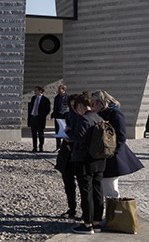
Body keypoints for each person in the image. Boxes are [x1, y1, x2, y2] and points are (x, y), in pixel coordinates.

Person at [89, 89, 143, 198]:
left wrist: (113, 152)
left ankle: (113, 212)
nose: (92, 106)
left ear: (101, 102)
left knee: (110, 187)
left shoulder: (115, 114)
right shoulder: (100, 114)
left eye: (93, 103)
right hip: (103, 154)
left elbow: (121, 136)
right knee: (103, 186)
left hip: (111, 154)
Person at [65, 94, 106, 234]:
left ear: (81, 106)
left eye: (76, 108)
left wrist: (69, 133)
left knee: (86, 191)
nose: (77, 112)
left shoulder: (84, 118)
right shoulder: (98, 117)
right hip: (99, 159)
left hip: (84, 159)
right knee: (97, 190)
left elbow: (79, 138)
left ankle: (87, 224)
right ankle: (97, 222)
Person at [28, 86, 52, 153]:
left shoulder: (45, 99)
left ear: (40, 91)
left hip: (40, 118)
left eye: (36, 90)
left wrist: (42, 116)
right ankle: (34, 147)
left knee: (41, 133)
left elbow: (48, 109)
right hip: (33, 117)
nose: (34, 91)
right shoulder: (33, 98)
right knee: (33, 133)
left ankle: (41, 146)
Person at [53, 85, 69, 151]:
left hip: (64, 116)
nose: (59, 90)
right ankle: (58, 146)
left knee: (65, 132)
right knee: (57, 131)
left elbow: (67, 106)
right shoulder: (57, 97)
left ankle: (65, 147)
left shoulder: (67, 97)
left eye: (60, 89)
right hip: (57, 116)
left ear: (64, 90)